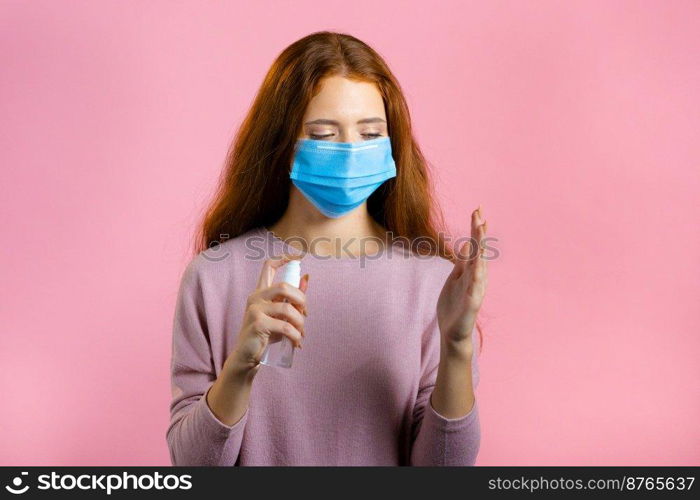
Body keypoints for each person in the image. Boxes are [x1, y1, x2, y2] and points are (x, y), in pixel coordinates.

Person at [166, 31, 488, 466]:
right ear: (281, 143)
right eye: (324, 133)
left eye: (370, 133)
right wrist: (240, 368)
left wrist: (457, 346)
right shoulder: (214, 276)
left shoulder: (432, 282)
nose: (351, 151)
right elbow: (193, 467)